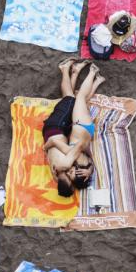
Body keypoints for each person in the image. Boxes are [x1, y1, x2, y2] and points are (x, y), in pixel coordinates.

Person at [43, 59, 105, 196]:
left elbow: (79, 148)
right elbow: (81, 148)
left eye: (70, 178)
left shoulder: (65, 164)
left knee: (73, 99)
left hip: (59, 128)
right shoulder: (62, 169)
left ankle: (73, 71)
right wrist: (90, 168)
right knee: (76, 99)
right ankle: (89, 72)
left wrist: (45, 148)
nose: (72, 173)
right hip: (73, 127)